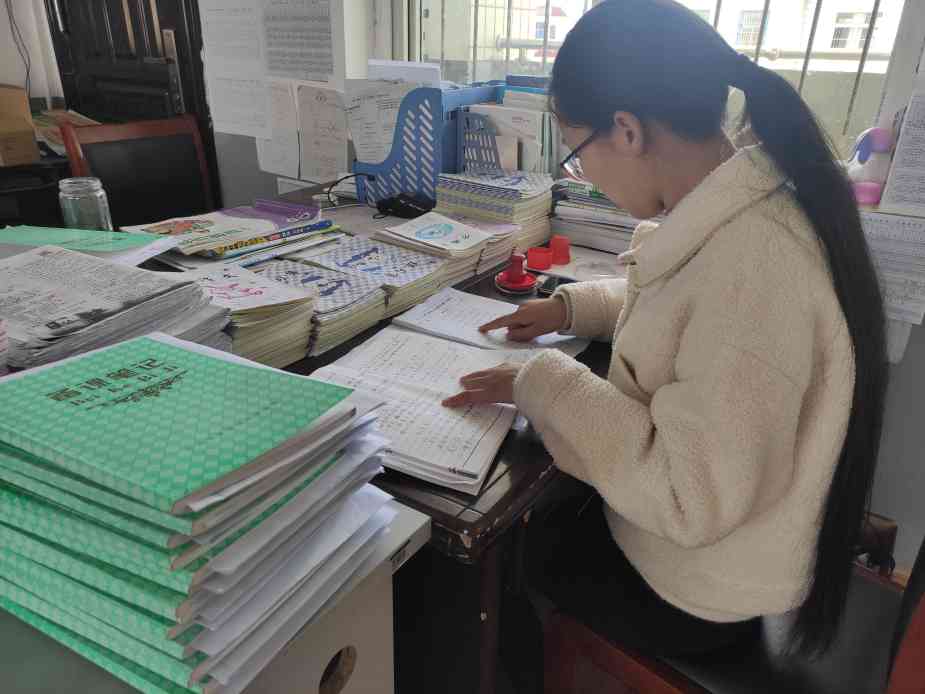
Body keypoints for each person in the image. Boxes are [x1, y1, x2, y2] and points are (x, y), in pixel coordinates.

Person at [442, 0, 888, 689]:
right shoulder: (750, 205)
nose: (585, 177)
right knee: (547, 503)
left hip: (700, 592)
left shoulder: (756, 265)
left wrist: (543, 381)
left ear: (625, 130)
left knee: (516, 548)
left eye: (576, 154)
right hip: (725, 550)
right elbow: (681, 306)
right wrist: (572, 307)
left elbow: (688, 495)